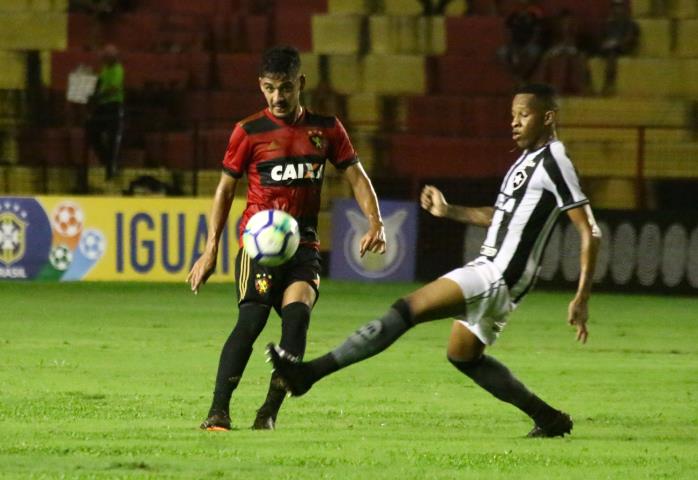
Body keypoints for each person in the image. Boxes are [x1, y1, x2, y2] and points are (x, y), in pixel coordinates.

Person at [268, 83, 602, 438]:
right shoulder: (528, 161)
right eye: (512, 116)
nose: (515, 123)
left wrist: (582, 296)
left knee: (406, 310)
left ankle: (308, 374)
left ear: (548, 117)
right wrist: (449, 210)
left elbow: (589, 230)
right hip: (500, 276)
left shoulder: (556, 160)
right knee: (463, 357)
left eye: (524, 115)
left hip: (498, 273)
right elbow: (501, 216)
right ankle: (548, 417)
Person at [187, 45, 387, 431]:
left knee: (296, 322)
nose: (277, 97)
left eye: (285, 88)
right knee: (251, 320)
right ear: (261, 87)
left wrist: (375, 221)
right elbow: (225, 190)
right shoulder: (248, 132)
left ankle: (268, 412)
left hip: (303, 245)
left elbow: (356, 176)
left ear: (301, 84)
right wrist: (210, 249)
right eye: (269, 88)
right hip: (258, 248)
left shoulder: (327, 129)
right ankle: (218, 411)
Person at [85, 44, 124, 180]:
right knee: (92, 132)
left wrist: (97, 96)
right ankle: (106, 161)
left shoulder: (118, 70)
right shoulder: (105, 69)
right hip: (102, 106)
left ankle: (110, 168)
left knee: (113, 139)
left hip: (113, 106)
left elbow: (113, 88)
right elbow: (100, 82)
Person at [496, 0, 545, 84]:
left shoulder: (534, 16)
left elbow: (537, 34)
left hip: (529, 45)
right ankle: (515, 76)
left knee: (533, 52)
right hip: (514, 45)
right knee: (501, 53)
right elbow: (507, 33)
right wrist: (511, 47)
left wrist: (528, 46)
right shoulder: (513, 16)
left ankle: (522, 77)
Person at [599, 0, 639, 94]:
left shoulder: (629, 22)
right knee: (610, 52)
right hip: (610, 48)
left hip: (622, 47)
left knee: (612, 54)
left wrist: (617, 43)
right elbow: (603, 38)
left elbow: (629, 38)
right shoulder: (608, 22)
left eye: (619, 7)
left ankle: (609, 83)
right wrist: (605, 43)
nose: (617, 9)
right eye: (615, 7)